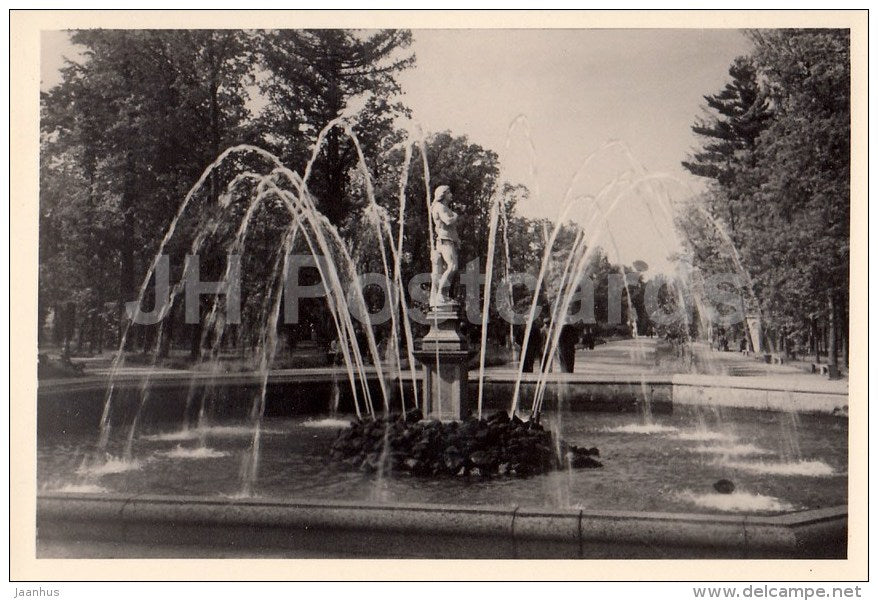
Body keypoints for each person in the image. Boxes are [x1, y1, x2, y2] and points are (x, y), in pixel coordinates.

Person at [429, 185, 460, 306]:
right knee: (452, 267)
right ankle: (440, 295)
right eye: (449, 193)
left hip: (448, 241)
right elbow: (447, 221)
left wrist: (457, 240)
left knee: (447, 269)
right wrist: (455, 216)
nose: (451, 195)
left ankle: (444, 296)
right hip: (445, 241)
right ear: (443, 194)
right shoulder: (439, 207)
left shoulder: (443, 207)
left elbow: (451, 228)